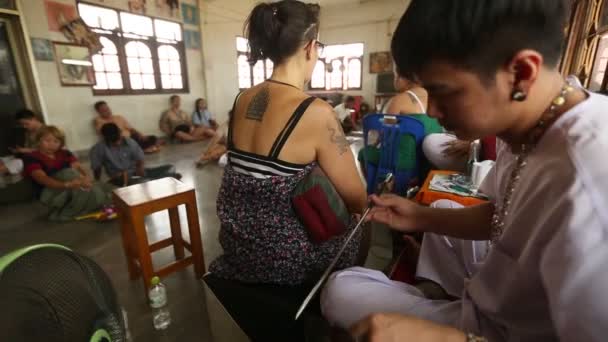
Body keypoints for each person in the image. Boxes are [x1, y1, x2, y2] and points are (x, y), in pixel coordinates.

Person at [322, 1, 608, 341]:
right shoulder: (531, 119)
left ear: (521, 72)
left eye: (443, 91)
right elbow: (505, 216)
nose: (430, 109)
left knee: (340, 290)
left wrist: (445, 338)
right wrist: (420, 217)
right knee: (441, 208)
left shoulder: (589, 181)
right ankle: (439, 300)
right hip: (502, 296)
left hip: (506, 330)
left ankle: (440, 312)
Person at [209, 0, 367, 286]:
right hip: (287, 260)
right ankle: (333, 311)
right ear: (310, 47)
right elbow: (357, 199)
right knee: (360, 223)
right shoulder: (315, 112)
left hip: (237, 248)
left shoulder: (242, 98)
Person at [22, 126, 112, 221]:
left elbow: (78, 168)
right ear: (38, 140)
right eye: (47, 141)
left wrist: (86, 178)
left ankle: (91, 204)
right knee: (68, 174)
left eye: (56, 141)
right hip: (51, 192)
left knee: (106, 188)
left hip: (73, 185)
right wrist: (67, 184)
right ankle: (68, 211)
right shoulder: (31, 157)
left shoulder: (64, 153)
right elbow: (42, 178)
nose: (52, 144)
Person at [90, 123, 181, 187]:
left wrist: (140, 168)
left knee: (170, 167)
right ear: (104, 137)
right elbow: (96, 168)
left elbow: (140, 158)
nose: (117, 143)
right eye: (113, 141)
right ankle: (167, 179)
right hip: (120, 178)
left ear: (120, 132)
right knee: (144, 182)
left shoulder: (129, 142)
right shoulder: (98, 149)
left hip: (136, 172)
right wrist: (97, 183)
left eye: (118, 139)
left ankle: (162, 179)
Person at [93, 101, 160, 154]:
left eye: (108, 108)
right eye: (103, 110)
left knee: (152, 138)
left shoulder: (119, 117)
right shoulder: (98, 120)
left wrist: (141, 135)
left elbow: (131, 128)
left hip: (131, 138)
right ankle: (145, 149)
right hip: (118, 141)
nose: (107, 111)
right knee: (130, 145)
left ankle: (144, 148)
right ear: (98, 112)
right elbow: (103, 134)